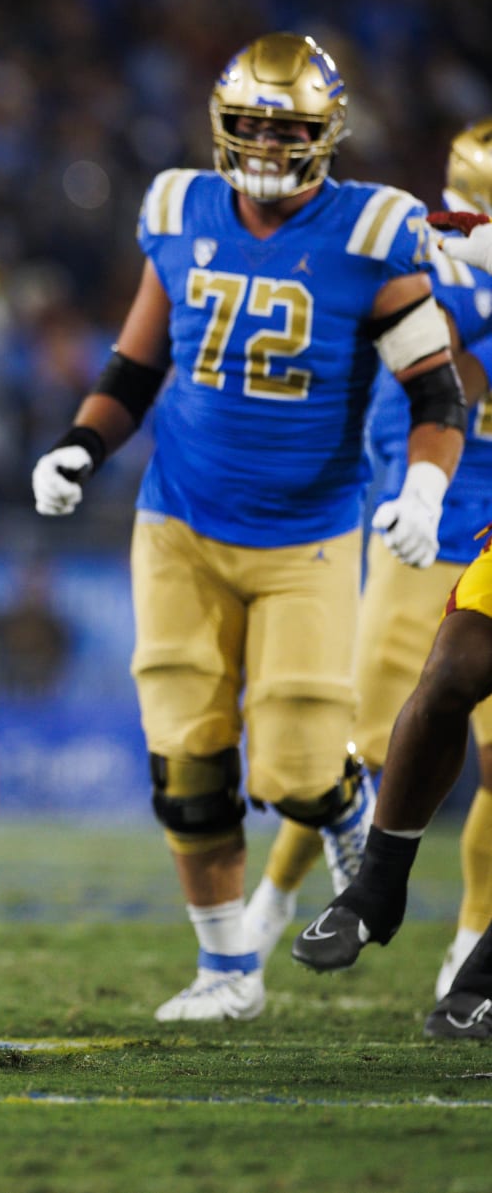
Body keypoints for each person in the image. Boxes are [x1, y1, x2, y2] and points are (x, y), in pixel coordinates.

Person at [31, 34, 470, 1023]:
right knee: (186, 761)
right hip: (178, 522)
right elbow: (136, 366)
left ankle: (342, 801)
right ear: (222, 125)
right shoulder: (179, 210)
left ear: (327, 135)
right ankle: (228, 969)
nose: (268, 145)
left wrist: (423, 492)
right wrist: (80, 446)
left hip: (306, 534)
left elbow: (436, 392)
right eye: (252, 125)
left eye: (289, 129)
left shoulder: (371, 233)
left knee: (296, 768)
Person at [246, 119, 492, 988]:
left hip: (480, 536)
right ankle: (276, 901)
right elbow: (444, 372)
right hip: (423, 537)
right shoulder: (435, 260)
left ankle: (470, 945)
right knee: (355, 746)